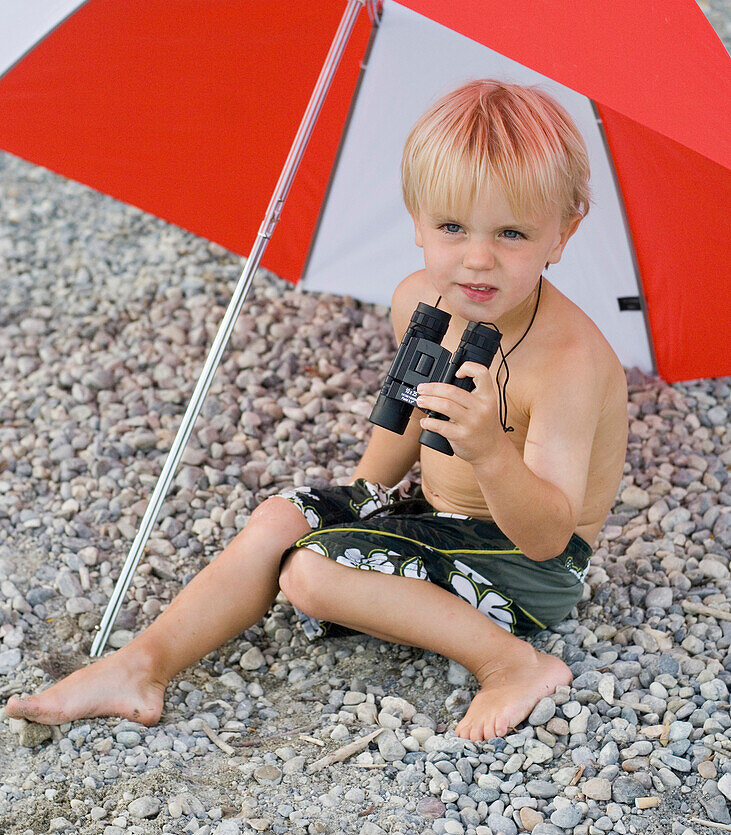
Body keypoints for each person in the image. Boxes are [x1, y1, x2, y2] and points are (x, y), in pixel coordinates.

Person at [6, 80, 628, 742]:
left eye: (511, 232)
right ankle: (140, 667)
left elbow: (547, 539)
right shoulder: (421, 300)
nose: (477, 258)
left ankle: (512, 665)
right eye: (451, 227)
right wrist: (360, 495)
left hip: (524, 566)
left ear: (562, 233)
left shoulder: (567, 363)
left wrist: (489, 453)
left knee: (311, 572)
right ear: (415, 220)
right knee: (281, 519)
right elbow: (407, 416)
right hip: (434, 518)